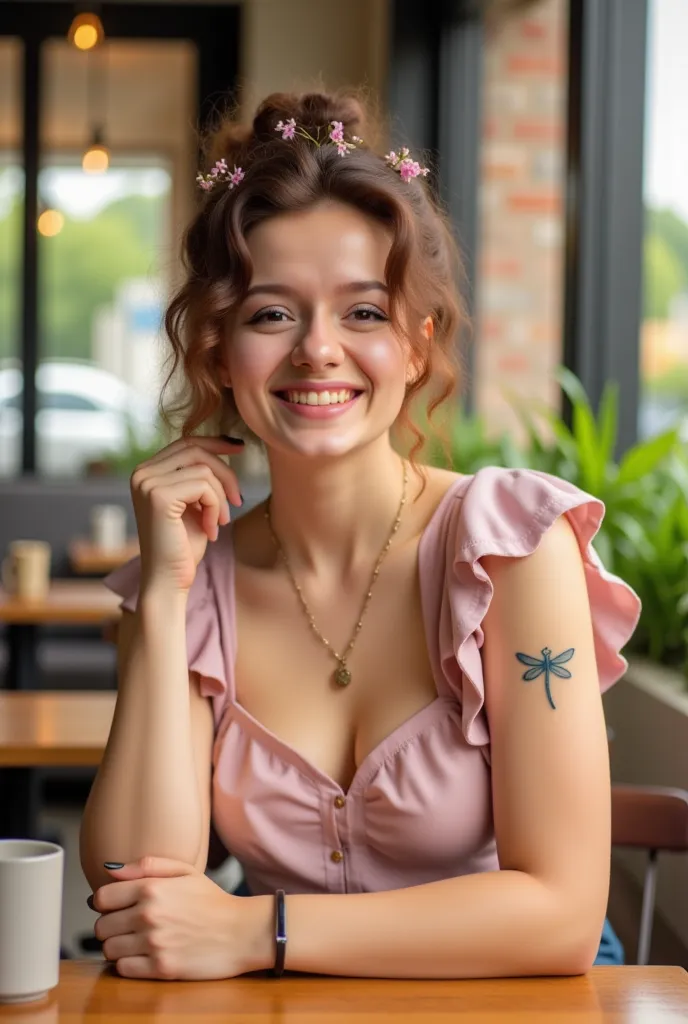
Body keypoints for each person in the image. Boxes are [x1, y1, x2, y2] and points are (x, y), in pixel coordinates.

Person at [79, 90, 641, 981]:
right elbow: (131, 889)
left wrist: (254, 931)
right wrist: (160, 601)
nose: (317, 350)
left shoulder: (510, 552)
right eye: (271, 314)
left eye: (364, 312)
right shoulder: (196, 584)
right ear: (221, 352)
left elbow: (564, 914)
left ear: (417, 344)